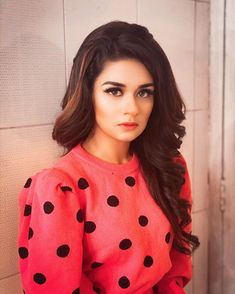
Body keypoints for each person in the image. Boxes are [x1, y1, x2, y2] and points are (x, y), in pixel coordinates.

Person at [17, 20, 200, 294]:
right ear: (88, 93)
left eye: (144, 92)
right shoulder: (59, 188)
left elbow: (174, 273)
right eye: (114, 91)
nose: (132, 108)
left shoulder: (169, 168)